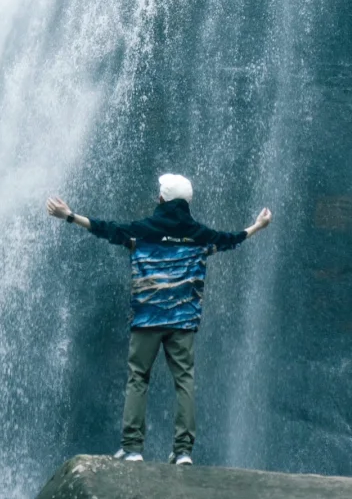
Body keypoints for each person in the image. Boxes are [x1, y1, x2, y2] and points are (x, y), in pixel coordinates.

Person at [47, 174, 272, 465]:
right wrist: (258, 225)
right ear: (187, 202)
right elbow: (231, 239)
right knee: (185, 381)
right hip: (183, 323)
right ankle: (183, 452)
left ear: (161, 199)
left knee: (138, 378)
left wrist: (70, 216)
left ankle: (132, 448)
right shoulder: (199, 235)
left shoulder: (142, 230)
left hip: (147, 320)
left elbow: (106, 229)